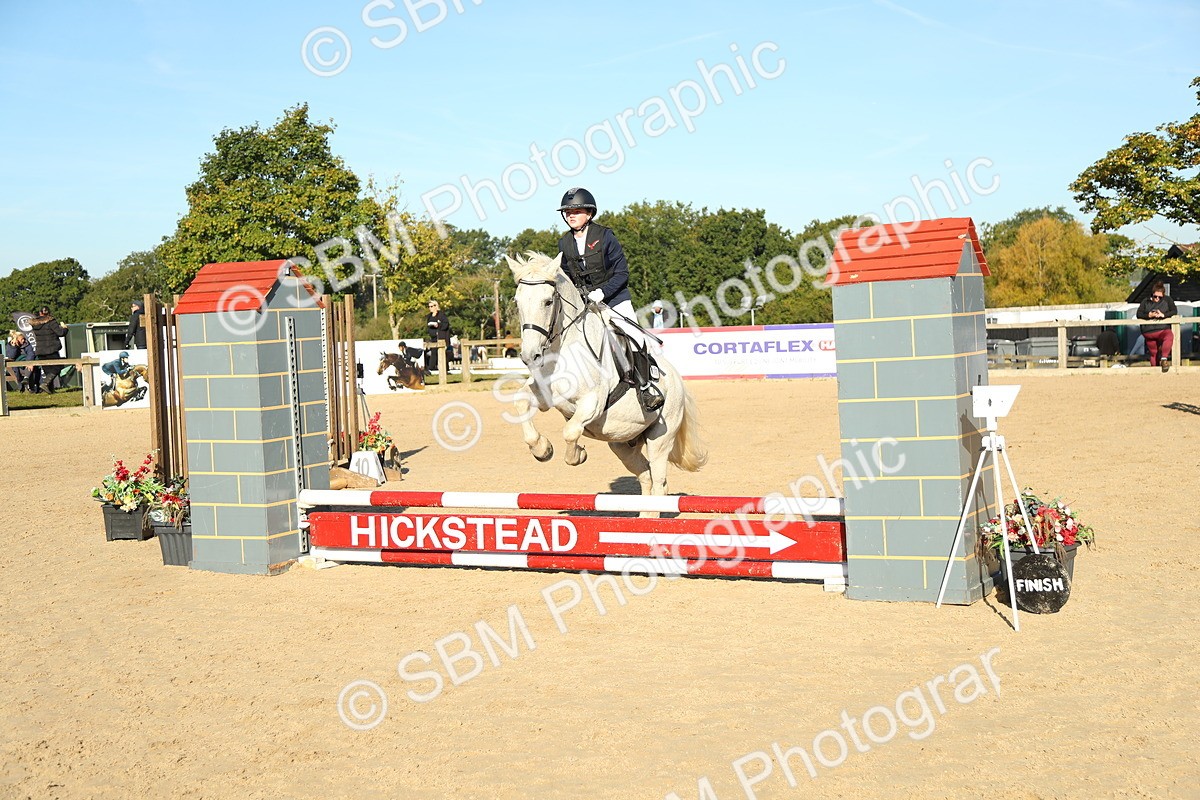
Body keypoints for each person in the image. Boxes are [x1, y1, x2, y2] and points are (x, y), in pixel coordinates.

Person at [556, 187, 663, 411]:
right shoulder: (564, 243)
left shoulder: (605, 236)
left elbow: (622, 273)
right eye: (568, 212)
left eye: (576, 210)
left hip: (614, 299)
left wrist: (603, 292)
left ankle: (646, 388)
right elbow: (565, 276)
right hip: (585, 305)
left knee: (634, 335)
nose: (571, 215)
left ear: (589, 213)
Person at [1137, 281, 1178, 372]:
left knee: (1168, 336)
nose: (1157, 299)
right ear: (1152, 294)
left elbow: (1174, 311)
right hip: (1149, 331)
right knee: (1153, 352)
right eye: (1155, 296)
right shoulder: (1145, 301)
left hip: (1161, 329)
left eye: (1160, 297)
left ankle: (1163, 360)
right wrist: (1149, 315)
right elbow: (1139, 314)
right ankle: (1155, 370)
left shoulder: (1168, 300)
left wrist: (1163, 315)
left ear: (1163, 295)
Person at [28, 306, 67, 392]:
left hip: (40, 350)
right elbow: (60, 333)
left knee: (48, 371)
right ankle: (45, 384)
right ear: (49, 313)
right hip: (51, 349)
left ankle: (50, 390)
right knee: (58, 367)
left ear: (40, 313)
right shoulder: (51, 322)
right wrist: (65, 328)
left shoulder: (35, 324)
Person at [424, 300, 451, 373]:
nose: (430, 308)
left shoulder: (442, 315)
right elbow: (428, 328)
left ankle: (445, 369)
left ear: (436, 306)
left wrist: (438, 325)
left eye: (432, 306)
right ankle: (431, 368)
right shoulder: (429, 316)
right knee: (433, 353)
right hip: (433, 338)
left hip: (442, 337)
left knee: (442, 353)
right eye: (429, 306)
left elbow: (446, 325)